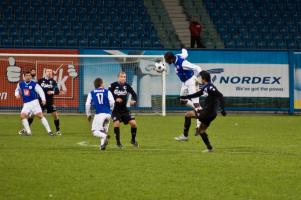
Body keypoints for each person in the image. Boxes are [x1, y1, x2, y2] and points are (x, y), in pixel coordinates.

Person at [180, 71, 226, 152]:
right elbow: (198, 94)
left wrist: (222, 109)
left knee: (187, 115)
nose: (199, 78)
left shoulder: (210, 87)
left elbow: (221, 96)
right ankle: (210, 148)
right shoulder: (206, 87)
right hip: (211, 114)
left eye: (200, 77)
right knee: (201, 131)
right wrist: (186, 96)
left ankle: (185, 136)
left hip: (207, 113)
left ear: (204, 78)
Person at [164, 48, 202, 141]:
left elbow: (197, 68)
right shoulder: (178, 56)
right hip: (184, 83)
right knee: (182, 101)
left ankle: (199, 125)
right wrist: (183, 48)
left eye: (167, 61)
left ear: (171, 59)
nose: (166, 62)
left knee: (196, 103)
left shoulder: (183, 63)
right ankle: (199, 109)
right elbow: (185, 53)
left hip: (191, 82)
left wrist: (200, 78)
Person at [15, 71, 53, 136]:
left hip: (34, 102)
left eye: (29, 75)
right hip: (26, 104)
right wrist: (17, 95)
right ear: (23, 76)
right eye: (27, 75)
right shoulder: (20, 84)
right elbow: (17, 90)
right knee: (22, 116)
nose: (28, 77)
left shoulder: (34, 84)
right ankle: (28, 132)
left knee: (40, 116)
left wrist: (43, 99)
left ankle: (49, 131)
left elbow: (40, 91)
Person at [109, 71, 139, 148]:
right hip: (115, 110)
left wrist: (134, 101)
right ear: (118, 77)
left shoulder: (127, 86)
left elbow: (134, 94)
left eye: (124, 77)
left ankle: (133, 140)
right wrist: (115, 99)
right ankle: (118, 143)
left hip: (124, 110)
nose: (123, 78)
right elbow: (107, 96)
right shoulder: (112, 85)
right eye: (121, 77)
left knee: (134, 123)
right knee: (117, 123)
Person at [85, 78, 115, 150]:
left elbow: (87, 104)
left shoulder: (91, 93)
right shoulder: (107, 92)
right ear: (101, 84)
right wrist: (110, 109)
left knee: (95, 131)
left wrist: (88, 114)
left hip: (99, 114)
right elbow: (112, 102)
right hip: (108, 114)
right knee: (103, 131)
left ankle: (105, 137)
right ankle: (102, 146)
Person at [38, 69, 62, 135]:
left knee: (55, 115)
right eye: (48, 72)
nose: (49, 73)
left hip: (50, 101)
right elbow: (35, 89)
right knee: (32, 115)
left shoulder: (53, 81)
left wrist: (52, 92)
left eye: (50, 72)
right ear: (45, 73)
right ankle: (25, 129)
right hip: (41, 101)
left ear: (52, 73)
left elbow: (57, 91)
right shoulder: (40, 81)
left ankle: (58, 130)